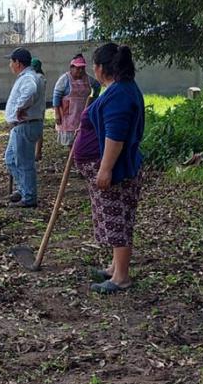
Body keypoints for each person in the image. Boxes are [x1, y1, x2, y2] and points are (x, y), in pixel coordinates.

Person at [72, 43, 144, 294]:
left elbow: (116, 135)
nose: (93, 70)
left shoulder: (120, 93)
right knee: (116, 217)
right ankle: (115, 267)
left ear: (101, 68)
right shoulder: (118, 89)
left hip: (117, 170)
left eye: (94, 65)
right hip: (109, 166)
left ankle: (121, 277)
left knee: (118, 220)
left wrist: (105, 169)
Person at [3, 47, 46, 208]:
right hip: (21, 126)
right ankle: (23, 189)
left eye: (11, 62)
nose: (10, 65)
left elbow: (30, 91)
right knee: (10, 159)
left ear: (18, 63)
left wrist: (20, 108)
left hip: (25, 125)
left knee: (24, 163)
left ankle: (29, 197)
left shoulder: (28, 78)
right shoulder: (29, 76)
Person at [53, 53, 101, 146]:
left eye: (82, 68)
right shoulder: (64, 79)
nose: (80, 71)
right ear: (72, 68)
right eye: (78, 68)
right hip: (68, 114)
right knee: (71, 140)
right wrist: (57, 113)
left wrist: (94, 99)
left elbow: (97, 86)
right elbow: (56, 96)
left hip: (82, 111)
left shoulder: (88, 78)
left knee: (82, 136)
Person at [31, 57, 46, 161]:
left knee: (37, 131)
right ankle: (37, 152)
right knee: (39, 130)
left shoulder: (37, 78)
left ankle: (37, 153)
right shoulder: (42, 77)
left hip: (36, 108)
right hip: (41, 107)